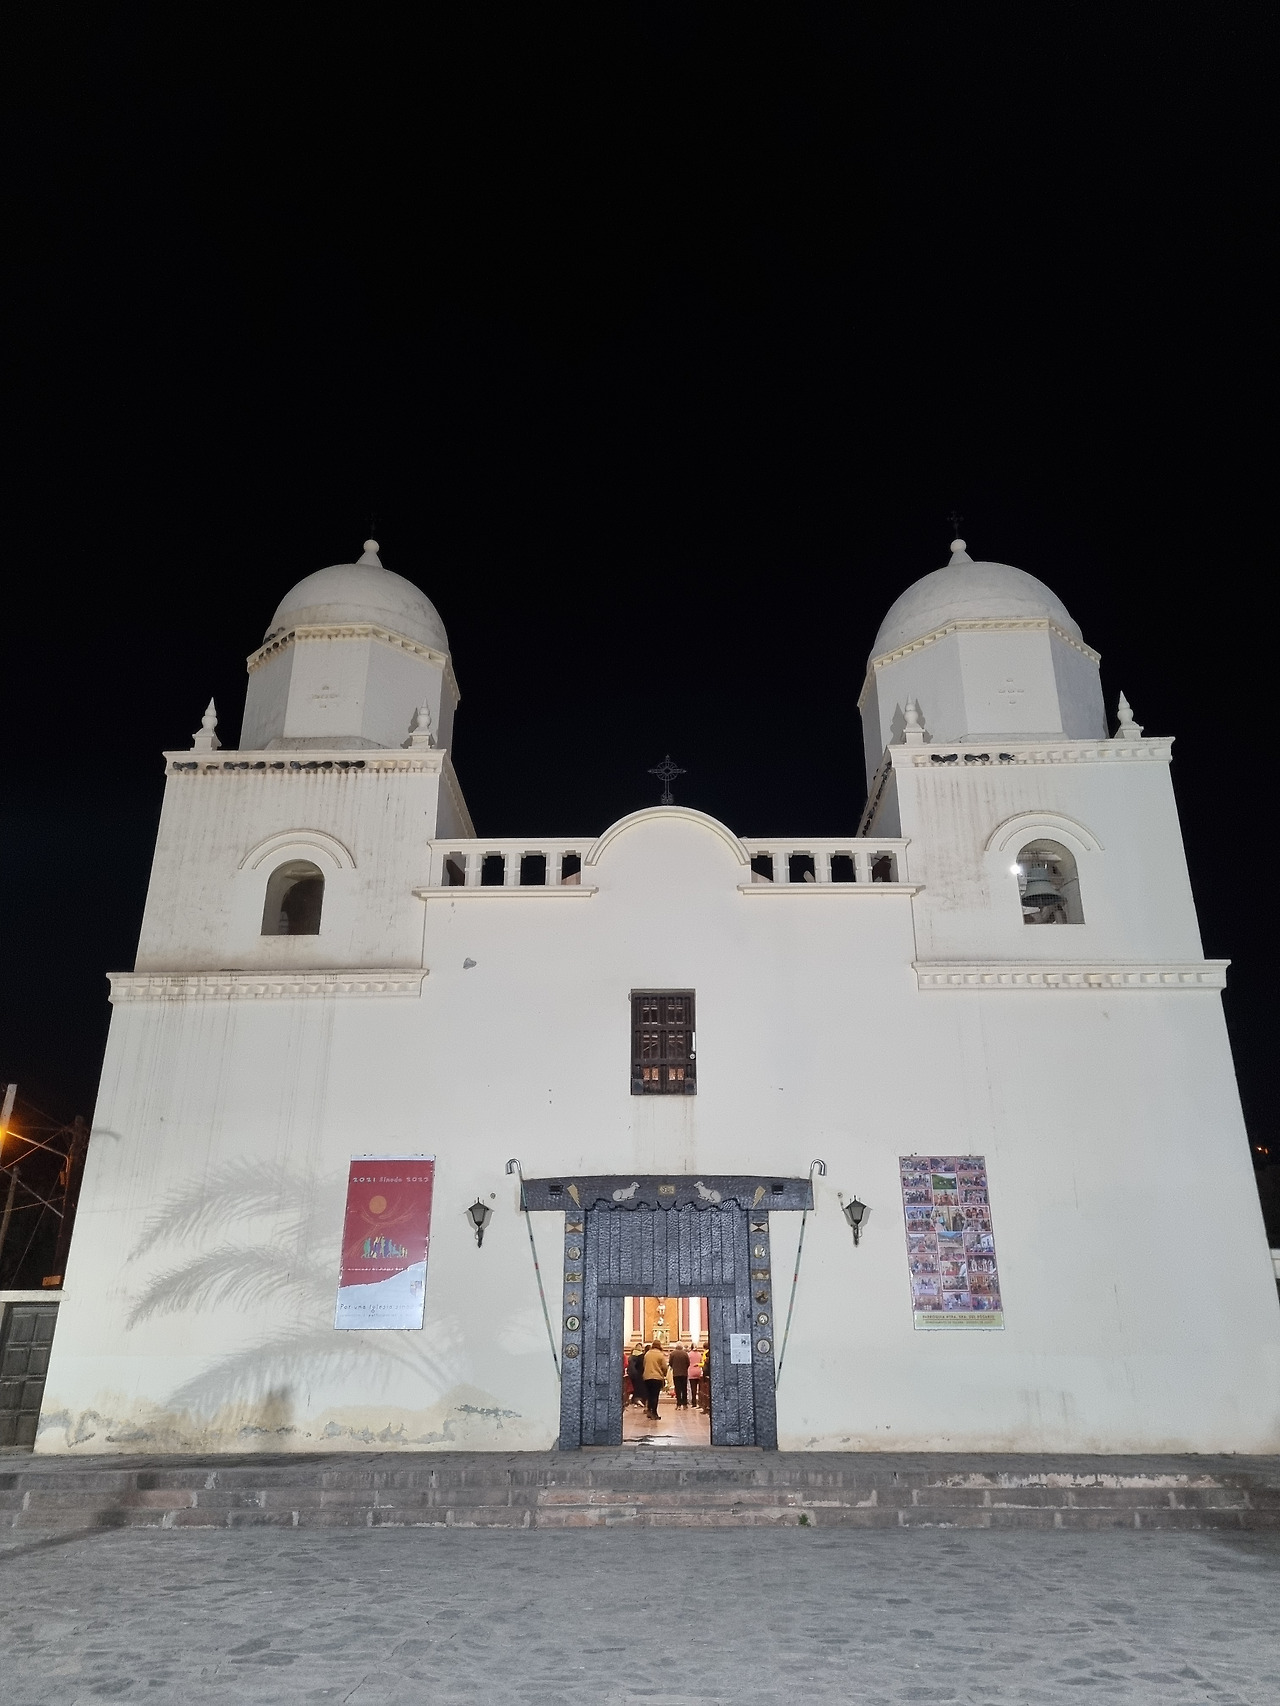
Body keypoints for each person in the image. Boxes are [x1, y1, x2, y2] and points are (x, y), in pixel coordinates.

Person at [642, 1340, 669, 1419]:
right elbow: (664, 1367)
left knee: (649, 1395)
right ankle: (654, 1412)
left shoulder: (647, 1354)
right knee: (655, 1396)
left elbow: (644, 1364)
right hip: (657, 1377)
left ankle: (649, 1410)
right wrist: (664, 1374)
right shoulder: (660, 1354)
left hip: (647, 1377)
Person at [668, 1341, 690, 1408]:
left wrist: (674, 1367)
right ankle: (685, 1404)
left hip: (676, 1373)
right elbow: (688, 1363)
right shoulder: (685, 1353)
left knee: (677, 1389)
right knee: (684, 1389)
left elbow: (670, 1363)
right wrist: (685, 1368)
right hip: (684, 1373)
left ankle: (678, 1404)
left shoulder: (673, 1353)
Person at [627, 1342, 646, 1407]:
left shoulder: (632, 1355)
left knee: (634, 1388)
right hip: (639, 1374)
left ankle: (635, 1401)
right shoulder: (641, 1356)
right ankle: (638, 1400)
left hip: (632, 1374)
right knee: (640, 1388)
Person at [687, 1341, 704, 1409]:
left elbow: (687, 1362)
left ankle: (694, 1403)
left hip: (691, 1371)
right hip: (698, 1371)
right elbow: (701, 1362)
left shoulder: (689, 1354)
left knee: (693, 1388)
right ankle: (700, 1402)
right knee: (699, 1389)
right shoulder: (699, 1354)